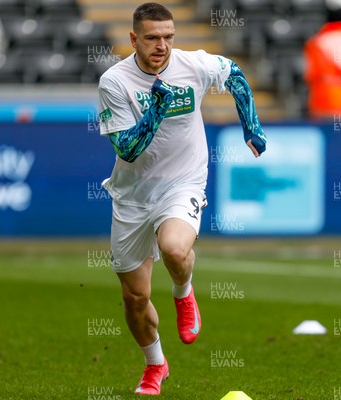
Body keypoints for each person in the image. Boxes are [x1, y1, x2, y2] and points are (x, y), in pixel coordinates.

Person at [96, 2, 266, 396]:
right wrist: (156, 107)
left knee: (174, 249)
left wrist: (251, 127)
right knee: (135, 298)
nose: (162, 46)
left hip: (184, 182)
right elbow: (128, 149)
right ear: (134, 39)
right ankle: (155, 365)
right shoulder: (114, 82)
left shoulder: (193, 65)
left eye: (169, 37)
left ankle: (183, 291)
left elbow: (235, 76)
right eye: (153, 38)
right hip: (133, 195)